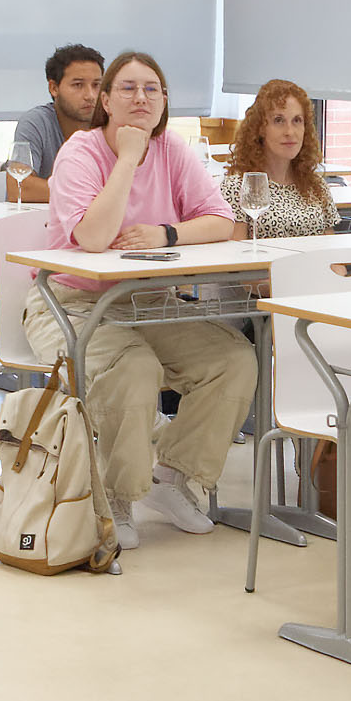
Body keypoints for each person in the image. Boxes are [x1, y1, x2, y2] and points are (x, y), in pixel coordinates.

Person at [28, 51, 258, 547]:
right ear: (105, 100)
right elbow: (93, 237)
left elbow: (220, 221)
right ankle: (118, 497)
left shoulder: (174, 149)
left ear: (165, 101)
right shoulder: (81, 153)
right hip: (69, 303)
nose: (141, 98)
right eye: (128, 88)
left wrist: (166, 233)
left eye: (152, 89)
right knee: (132, 368)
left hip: (145, 302)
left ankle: (172, 478)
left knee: (233, 359)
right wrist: (129, 157)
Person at [224, 79, 338, 239]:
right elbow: (237, 258)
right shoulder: (238, 188)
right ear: (261, 128)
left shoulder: (317, 186)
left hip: (315, 263)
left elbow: (332, 254)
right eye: (279, 120)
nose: (290, 131)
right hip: (265, 264)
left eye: (297, 120)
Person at [9, 45, 105, 199]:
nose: (90, 95)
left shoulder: (110, 124)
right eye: (78, 85)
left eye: (96, 85)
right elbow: (19, 187)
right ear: (54, 88)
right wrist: (88, 194)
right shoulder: (36, 122)